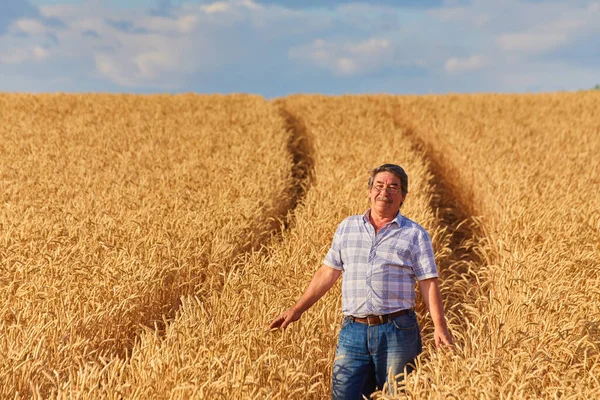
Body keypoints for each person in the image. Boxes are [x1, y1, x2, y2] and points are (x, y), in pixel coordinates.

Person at [269, 163, 453, 399]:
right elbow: (328, 273)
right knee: (345, 395)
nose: (384, 192)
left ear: (403, 196)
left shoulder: (415, 234)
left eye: (393, 187)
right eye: (379, 185)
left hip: (397, 330)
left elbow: (428, 282)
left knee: (398, 395)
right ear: (369, 191)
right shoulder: (348, 228)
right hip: (353, 330)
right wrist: (297, 309)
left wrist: (440, 327)